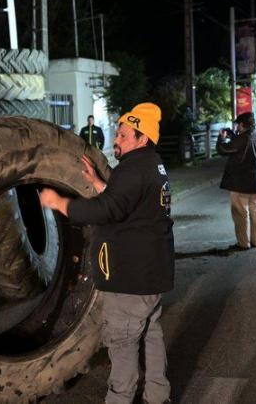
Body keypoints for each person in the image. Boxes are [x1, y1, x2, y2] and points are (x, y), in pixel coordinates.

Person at [40, 103, 174, 404]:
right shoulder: (152, 165)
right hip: (150, 275)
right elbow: (128, 205)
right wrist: (100, 183)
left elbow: (107, 210)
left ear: (142, 138)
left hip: (129, 279)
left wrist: (61, 203)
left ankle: (120, 398)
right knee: (151, 336)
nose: (117, 139)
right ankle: (158, 396)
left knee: (122, 343)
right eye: (118, 132)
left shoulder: (133, 168)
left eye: (124, 135)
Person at [216, 111, 256, 250]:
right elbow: (247, 145)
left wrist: (221, 138)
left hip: (241, 183)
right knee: (255, 211)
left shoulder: (242, 139)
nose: (236, 127)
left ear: (243, 124)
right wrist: (234, 136)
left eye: (238, 125)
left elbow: (223, 149)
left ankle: (243, 243)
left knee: (241, 214)